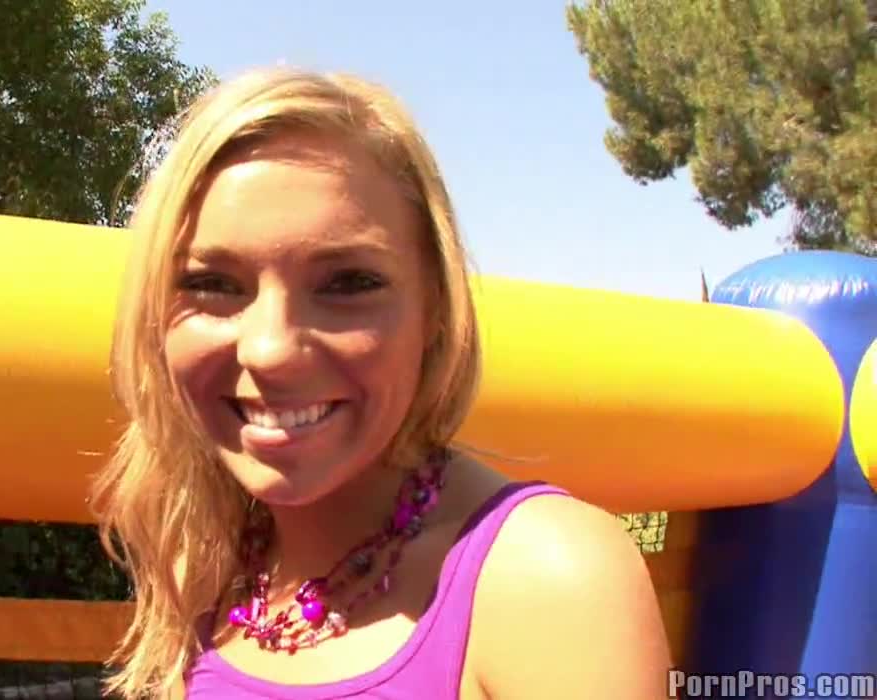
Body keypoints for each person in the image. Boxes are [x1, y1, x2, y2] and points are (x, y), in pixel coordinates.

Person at [90, 67, 670, 699]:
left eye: (348, 284)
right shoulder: (203, 559)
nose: (271, 350)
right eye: (212, 284)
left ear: (437, 307)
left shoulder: (550, 580)